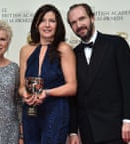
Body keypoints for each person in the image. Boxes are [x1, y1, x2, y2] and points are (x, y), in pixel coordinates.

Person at [67, 3, 130, 144]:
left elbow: (129, 84)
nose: (79, 25)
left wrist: (129, 120)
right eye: (73, 23)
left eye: (82, 19)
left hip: (115, 127)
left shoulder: (116, 44)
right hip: (87, 130)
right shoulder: (73, 55)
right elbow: (73, 98)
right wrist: (73, 131)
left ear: (92, 18)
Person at [19, 4, 77, 144]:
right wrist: (26, 95)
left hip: (55, 111)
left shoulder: (64, 49)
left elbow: (72, 87)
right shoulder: (26, 50)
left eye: (52, 21)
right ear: (36, 25)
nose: (47, 25)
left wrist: (47, 92)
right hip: (31, 112)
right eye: (43, 20)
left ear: (58, 25)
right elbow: (21, 86)